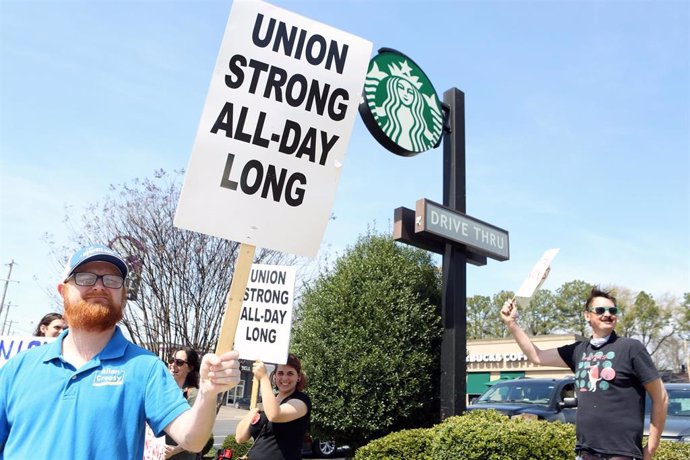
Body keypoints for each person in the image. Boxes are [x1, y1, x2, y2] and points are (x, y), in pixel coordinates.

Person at [0, 244, 241, 459]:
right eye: (85, 277)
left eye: (112, 280)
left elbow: (193, 439)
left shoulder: (145, 367)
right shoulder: (17, 368)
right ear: (63, 291)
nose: (99, 286)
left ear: (123, 295)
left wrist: (208, 393)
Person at [500, 286, 668, 460]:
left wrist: (651, 447)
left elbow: (660, 397)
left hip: (622, 454)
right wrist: (511, 324)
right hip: (586, 452)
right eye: (600, 310)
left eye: (612, 310)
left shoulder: (631, 348)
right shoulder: (578, 351)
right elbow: (537, 356)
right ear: (587, 315)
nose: (607, 314)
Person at [235, 354, 311, 460]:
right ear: (274, 376)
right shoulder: (268, 402)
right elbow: (240, 437)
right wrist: (254, 411)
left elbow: (274, 415)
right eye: (280, 373)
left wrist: (263, 377)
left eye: (290, 373)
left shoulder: (301, 401)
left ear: (298, 377)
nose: (284, 378)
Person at [165, 347, 202, 460]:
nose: (173, 364)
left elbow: (196, 434)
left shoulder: (194, 395)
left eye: (179, 362)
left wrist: (174, 450)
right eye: (171, 360)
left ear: (190, 368)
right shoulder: (162, 391)